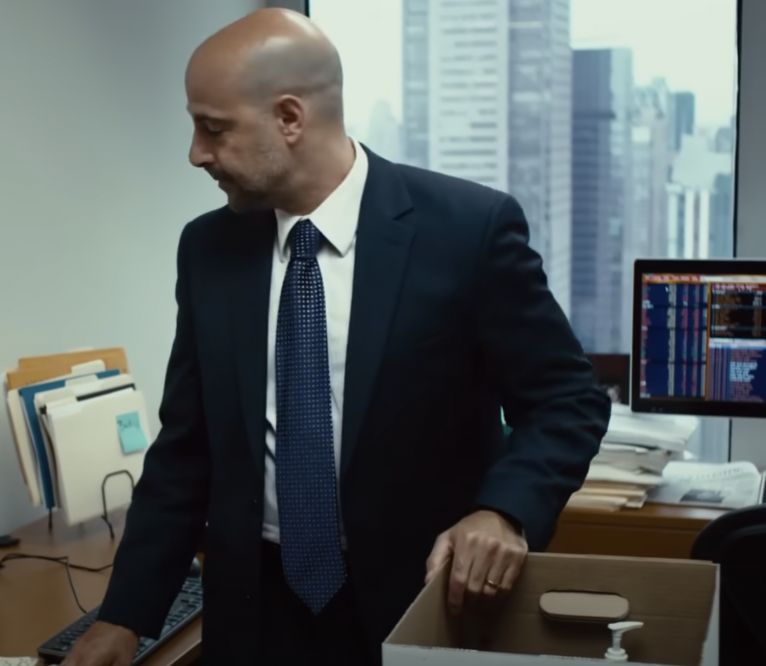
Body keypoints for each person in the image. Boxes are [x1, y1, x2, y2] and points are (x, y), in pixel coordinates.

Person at [65, 8, 610, 666]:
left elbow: (566, 400)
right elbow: (188, 448)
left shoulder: (468, 231)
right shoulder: (208, 248)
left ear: (290, 119)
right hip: (253, 614)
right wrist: (125, 615)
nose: (195, 153)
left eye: (214, 129)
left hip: (422, 604)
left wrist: (504, 512)